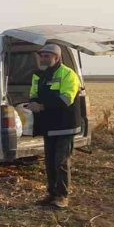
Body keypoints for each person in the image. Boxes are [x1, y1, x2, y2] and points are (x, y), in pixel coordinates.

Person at [27, 44, 81, 209]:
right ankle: (52, 194)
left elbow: (66, 99)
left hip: (65, 125)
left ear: (57, 58)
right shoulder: (39, 75)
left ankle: (62, 196)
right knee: (50, 162)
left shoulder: (68, 74)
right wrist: (32, 104)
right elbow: (33, 94)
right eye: (41, 56)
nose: (43, 59)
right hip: (48, 126)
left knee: (61, 162)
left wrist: (41, 106)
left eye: (47, 56)